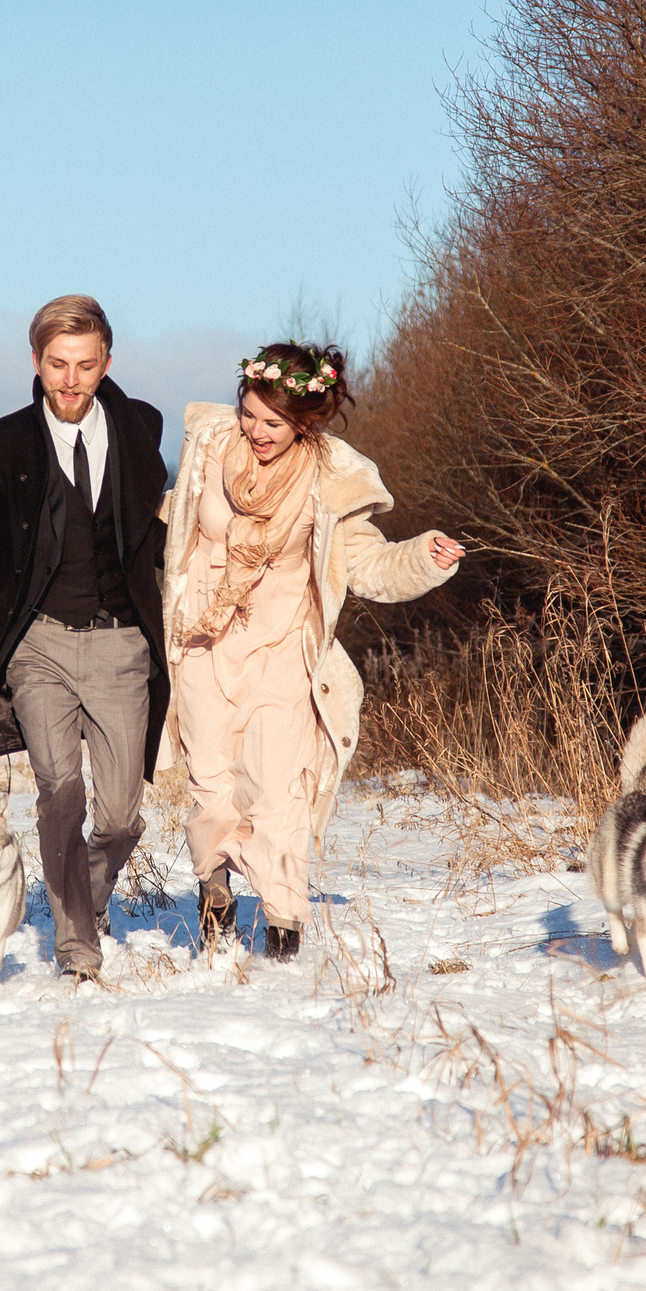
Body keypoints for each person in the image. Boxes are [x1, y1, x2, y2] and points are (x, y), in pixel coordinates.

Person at [158, 342, 463, 961]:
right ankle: (214, 893)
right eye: (248, 414)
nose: (256, 431)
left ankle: (283, 920)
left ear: (305, 422)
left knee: (277, 787)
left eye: (273, 422)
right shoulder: (209, 449)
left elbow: (370, 565)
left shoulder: (332, 476)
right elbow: (170, 534)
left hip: (282, 652)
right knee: (210, 782)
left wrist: (423, 557)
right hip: (202, 644)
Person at [0, 296, 169, 985]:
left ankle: (79, 892)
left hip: (121, 644)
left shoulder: (140, 427)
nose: (70, 378)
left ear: (106, 364)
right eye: (57, 363)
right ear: (36, 362)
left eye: (85, 365)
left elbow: (154, 534)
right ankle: (76, 943)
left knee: (119, 816)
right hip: (40, 647)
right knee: (61, 792)